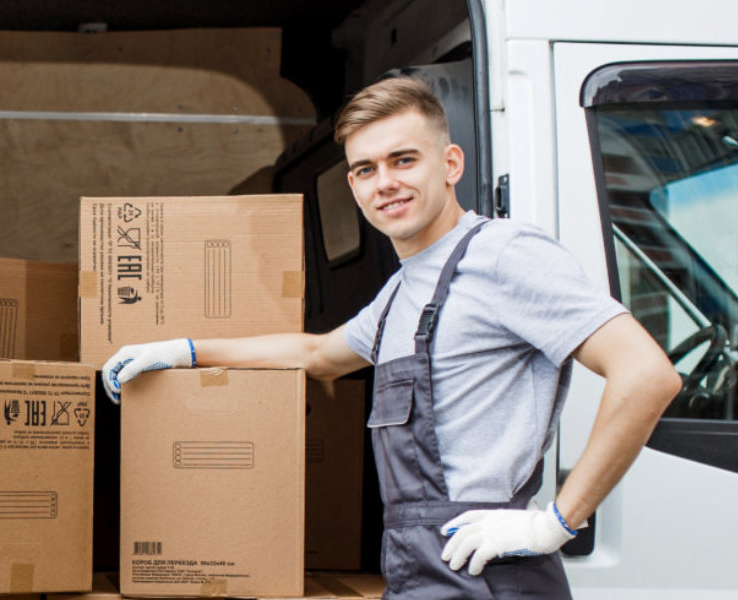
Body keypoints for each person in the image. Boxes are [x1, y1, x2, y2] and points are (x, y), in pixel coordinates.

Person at [100, 77, 680, 599]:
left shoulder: (505, 255)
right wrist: (186, 351)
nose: (386, 183)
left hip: (488, 569)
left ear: (450, 163)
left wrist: (553, 522)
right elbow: (318, 355)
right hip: (413, 563)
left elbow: (647, 375)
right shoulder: (403, 292)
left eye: (404, 160)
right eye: (365, 168)